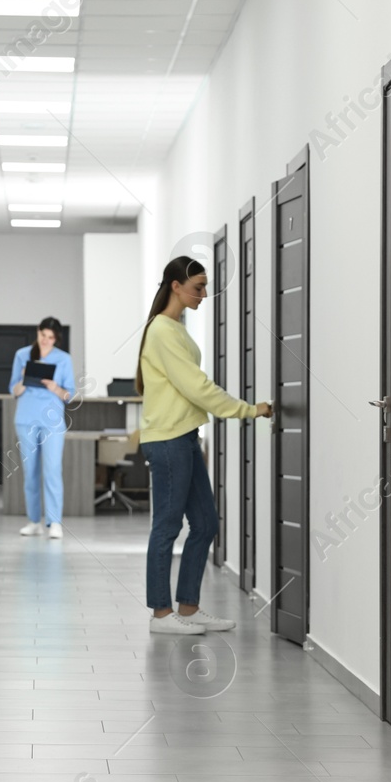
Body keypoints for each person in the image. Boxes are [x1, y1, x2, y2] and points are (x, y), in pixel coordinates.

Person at [135, 255, 273, 635]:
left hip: (184, 437)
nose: (204, 294)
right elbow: (196, 386)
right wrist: (249, 410)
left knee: (206, 523)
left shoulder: (175, 328)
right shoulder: (163, 330)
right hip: (167, 441)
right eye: (198, 287)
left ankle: (189, 607)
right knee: (166, 527)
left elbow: (192, 386)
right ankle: (161, 614)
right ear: (176, 286)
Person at [9, 317, 74, 539]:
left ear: (56, 339)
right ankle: (34, 521)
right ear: (37, 333)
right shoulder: (22, 355)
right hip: (26, 419)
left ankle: (54, 522)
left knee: (53, 471)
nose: (45, 341)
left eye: (50, 338)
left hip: (53, 423)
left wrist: (55, 386)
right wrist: (25, 378)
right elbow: (14, 390)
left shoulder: (64, 359)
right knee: (30, 473)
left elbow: (69, 396)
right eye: (42, 335)